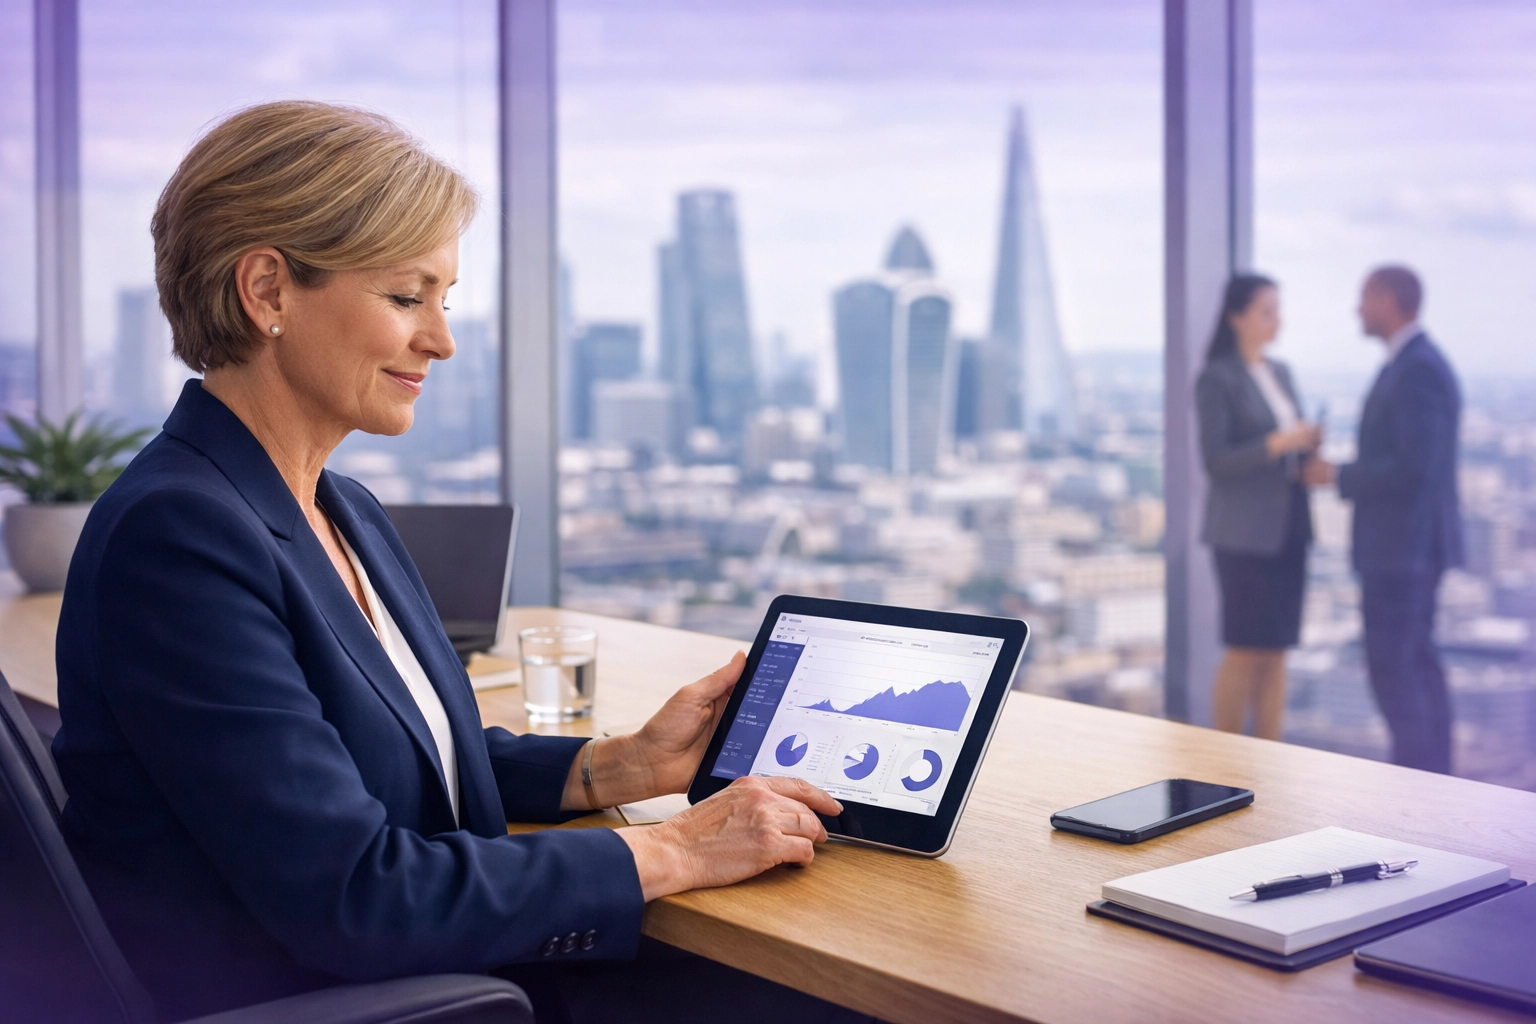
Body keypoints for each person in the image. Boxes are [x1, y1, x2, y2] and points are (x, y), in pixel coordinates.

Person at [52, 101, 865, 1024]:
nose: (439, 340)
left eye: (445, 301)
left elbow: (391, 759)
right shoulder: (179, 539)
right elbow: (355, 896)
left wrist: (621, 765)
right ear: (268, 291)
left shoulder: (335, 507)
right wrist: (675, 849)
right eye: (407, 298)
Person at [1303, 266, 1462, 773]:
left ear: (1390, 301)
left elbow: (1417, 469)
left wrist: (1338, 475)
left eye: (1364, 298)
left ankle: (1420, 792)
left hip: (1403, 550)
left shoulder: (1416, 369)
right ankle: (1433, 787)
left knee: (1398, 673)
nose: (1357, 309)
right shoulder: (1411, 363)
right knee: (1414, 668)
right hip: (1406, 547)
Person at [1195, 274, 1320, 739]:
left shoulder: (1280, 371)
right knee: (1246, 648)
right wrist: (1278, 442)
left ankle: (1271, 754)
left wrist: (1304, 444)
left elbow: (1287, 444)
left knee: (1277, 649)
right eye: (1267, 311)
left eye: (1277, 310)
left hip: (1289, 525)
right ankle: (1224, 756)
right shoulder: (1217, 378)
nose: (1277, 320)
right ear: (1237, 317)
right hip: (1243, 533)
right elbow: (1217, 460)